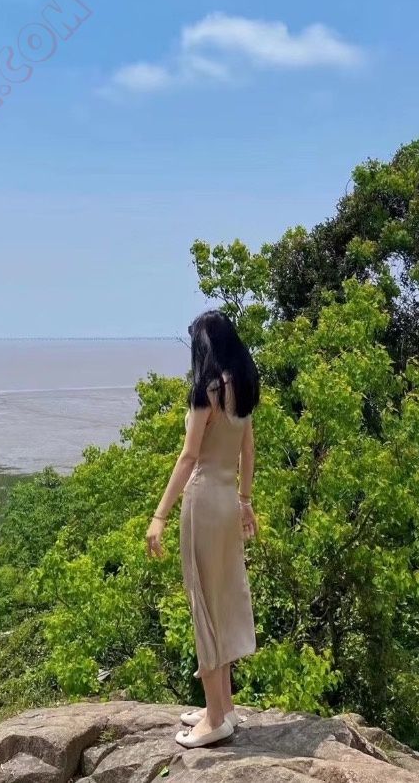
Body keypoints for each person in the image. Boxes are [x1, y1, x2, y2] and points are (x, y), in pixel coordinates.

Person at [145, 309, 260, 748]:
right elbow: (247, 449)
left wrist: (159, 516)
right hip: (228, 502)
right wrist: (245, 502)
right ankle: (223, 706)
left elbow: (188, 457)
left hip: (203, 502)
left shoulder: (206, 392)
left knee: (204, 605)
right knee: (222, 600)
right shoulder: (242, 389)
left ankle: (215, 720)